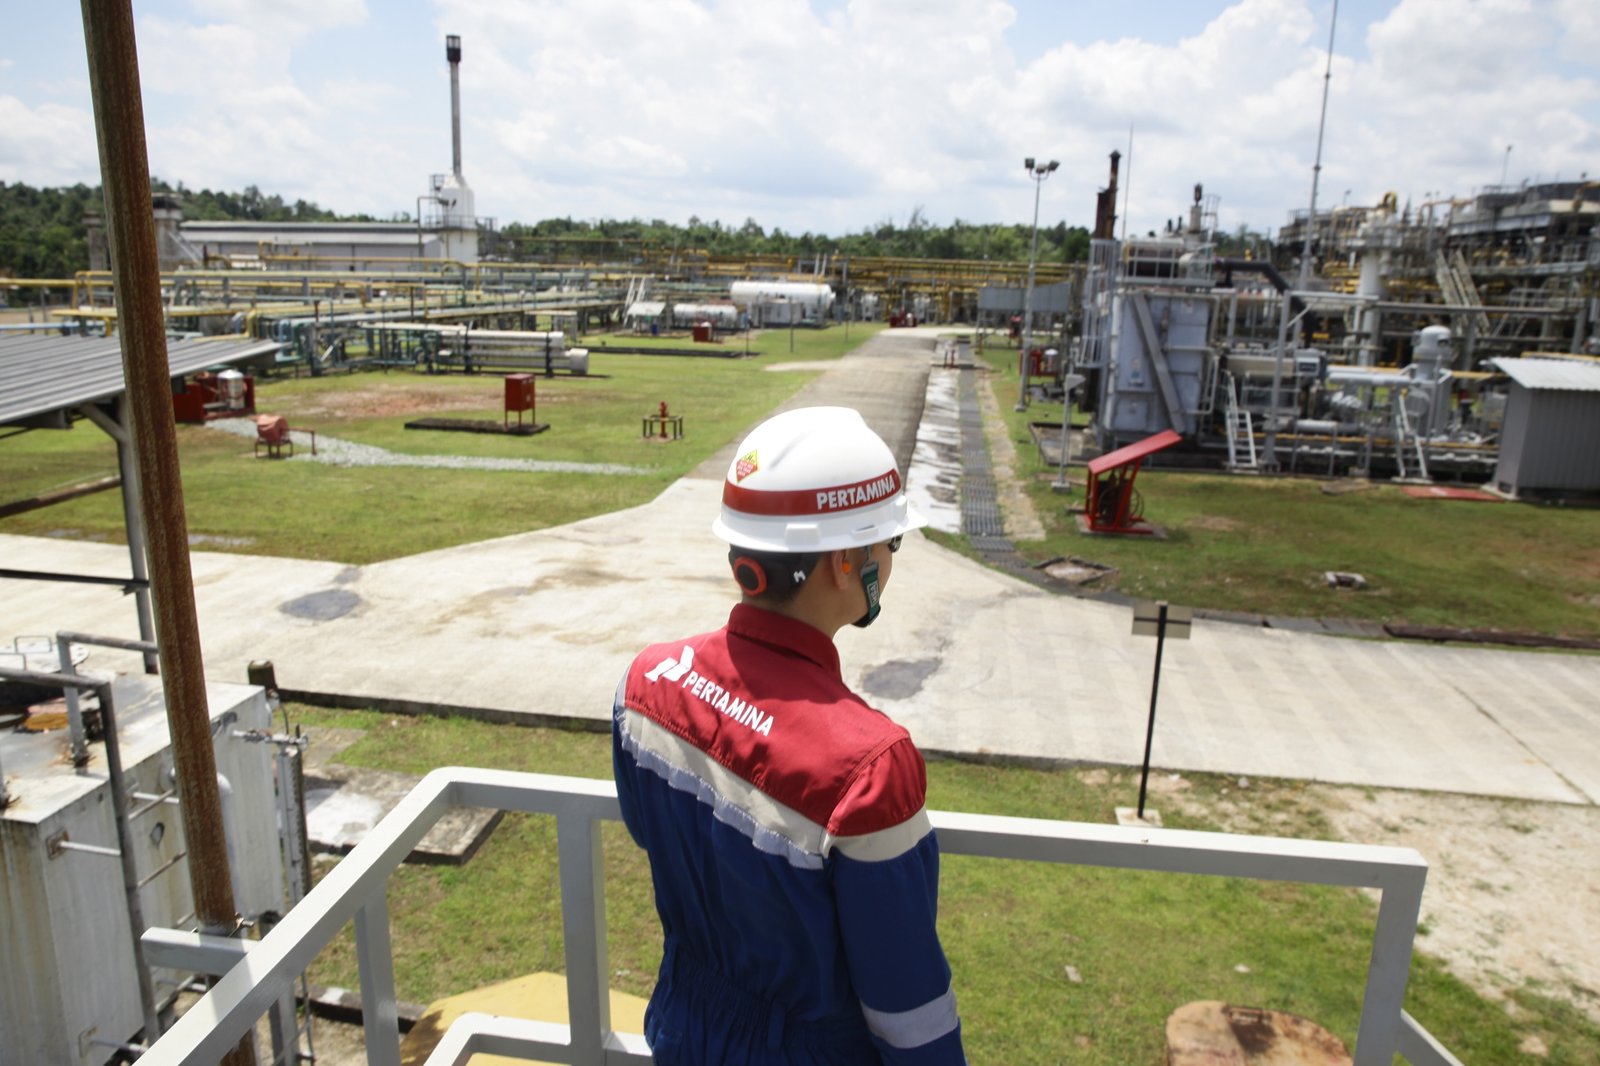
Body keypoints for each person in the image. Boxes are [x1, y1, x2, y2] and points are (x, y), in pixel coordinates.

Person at [612, 406, 965, 1065]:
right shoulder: (869, 770)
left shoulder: (647, 682)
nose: (891, 558)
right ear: (845, 562)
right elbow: (909, 1012)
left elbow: (648, 830)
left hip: (684, 1030)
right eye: (890, 543)